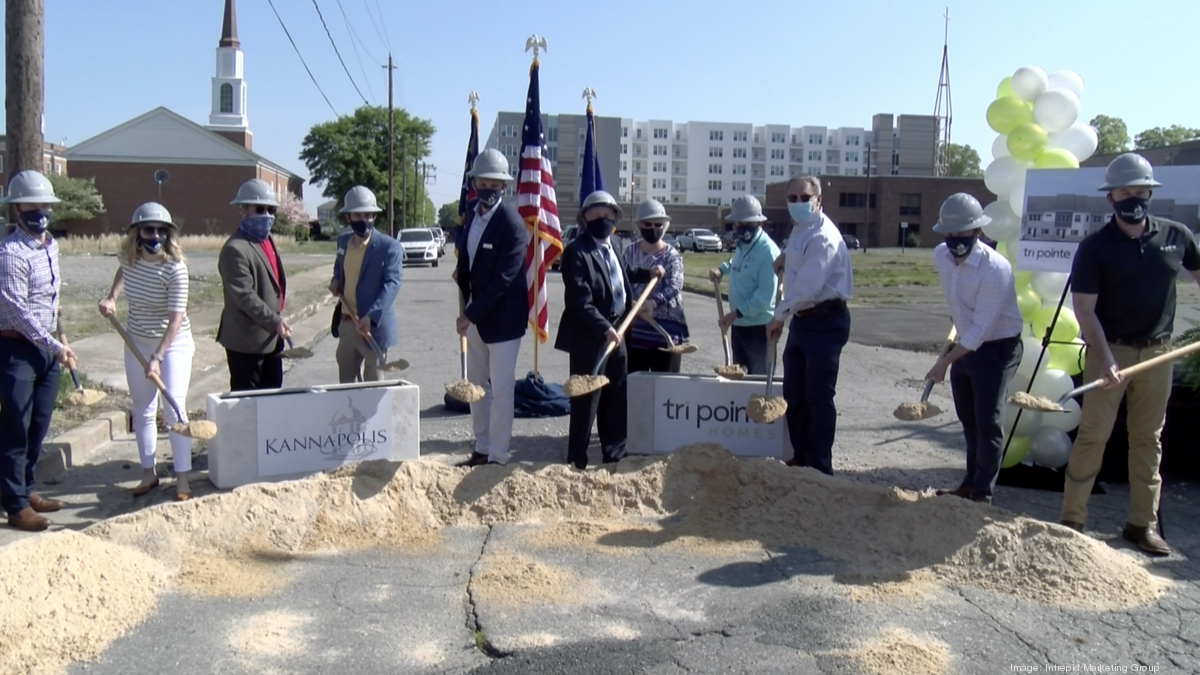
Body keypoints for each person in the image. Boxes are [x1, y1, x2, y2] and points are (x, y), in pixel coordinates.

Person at [1059, 153, 1200, 555]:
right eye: (1125, 193)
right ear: (1111, 198)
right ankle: (1072, 520)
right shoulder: (1095, 248)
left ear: (1150, 194)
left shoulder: (1175, 236)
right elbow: (1084, 310)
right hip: (1110, 351)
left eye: (1140, 192)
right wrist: (1105, 358)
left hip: (1158, 354)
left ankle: (1142, 524)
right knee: (1093, 436)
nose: (1133, 200)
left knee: (1147, 439)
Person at [925, 194, 1024, 504]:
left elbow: (982, 329)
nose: (956, 241)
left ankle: (982, 496)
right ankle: (970, 483)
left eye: (963, 234)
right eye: (950, 234)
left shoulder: (995, 269)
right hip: (965, 344)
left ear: (978, 232)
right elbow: (963, 313)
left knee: (987, 422)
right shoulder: (941, 256)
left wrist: (943, 362)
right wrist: (955, 347)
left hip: (998, 348)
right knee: (968, 420)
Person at [98, 203, 197, 500]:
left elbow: (175, 321)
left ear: (168, 234)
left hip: (173, 344)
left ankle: (182, 480)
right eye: (148, 229)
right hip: (136, 341)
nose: (155, 236)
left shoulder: (175, 269)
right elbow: (123, 270)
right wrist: (112, 297)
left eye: (160, 230)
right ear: (137, 233)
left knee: (174, 409)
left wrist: (157, 358)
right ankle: (148, 474)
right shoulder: (129, 258)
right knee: (143, 410)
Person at [556, 190, 661, 470]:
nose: (602, 219)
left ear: (614, 218)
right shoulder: (576, 252)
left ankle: (614, 453)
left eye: (607, 215)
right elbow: (579, 301)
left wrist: (648, 274)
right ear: (585, 218)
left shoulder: (614, 243)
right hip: (590, 335)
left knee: (616, 393)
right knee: (586, 398)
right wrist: (604, 328)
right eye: (596, 215)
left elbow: (623, 272)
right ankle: (577, 459)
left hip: (619, 329)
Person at [0, 171, 75, 531]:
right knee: (16, 426)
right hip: (17, 350)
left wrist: (61, 337)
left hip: (47, 349)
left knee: (39, 424)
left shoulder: (51, 246)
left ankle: (27, 488)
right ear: (16, 209)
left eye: (45, 205)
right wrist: (54, 346)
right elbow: (17, 310)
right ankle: (15, 505)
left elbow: (51, 298)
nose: (40, 212)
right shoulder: (10, 253)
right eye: (31, 206)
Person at [766, 174, 852, 475]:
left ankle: (820, 465)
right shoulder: (801, 228)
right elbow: (798, 253)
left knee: (818, 395)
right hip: (803, 321)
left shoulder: (824, 236)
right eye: (793, 198)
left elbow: (807, 288)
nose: (799, 203)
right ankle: (801, 456)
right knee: (794, 392)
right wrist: (784, 257)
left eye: (805, 198)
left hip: (825, 320)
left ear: (818, 200)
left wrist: (778, 316)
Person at [454, 149, 530, 467]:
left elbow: (504, 279)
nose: (488, 189)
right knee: (476, 387)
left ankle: (498, 455)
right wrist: (462, 275)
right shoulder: (472, 215)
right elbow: (470, 257)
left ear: (503, 186)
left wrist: (469, 314)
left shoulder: (512, 225)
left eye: (494, 184)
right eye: (483, 183)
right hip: (475, 317)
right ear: (474, 183)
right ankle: (482, 447)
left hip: (503, 321)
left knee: (500, 388)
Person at [216, 178, 291, 392]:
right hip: (247, 342)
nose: (266, 215)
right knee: (247, 402)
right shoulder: (235, 249)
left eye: (271, 210)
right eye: (259, 209)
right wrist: (274, 320)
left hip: (272, 339)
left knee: (272, 396)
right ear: (243, 210)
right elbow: (244, 296)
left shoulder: (268, 240)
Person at [329, 186, 402, 383]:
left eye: (368, 215)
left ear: (374, 216)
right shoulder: (343, 241)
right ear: (348, 217)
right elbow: (339, 267)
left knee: (373, 387)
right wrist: (336, 279)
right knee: (346, 385)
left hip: (373, 327)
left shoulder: (389, 247)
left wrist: (371, 315)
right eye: (358, 215)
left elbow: (392, 283)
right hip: (347, 324)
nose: (364, 220)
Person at [709, 195, 782, 375]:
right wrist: (722, 270)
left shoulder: (768, 252)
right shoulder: (743, 245)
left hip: (760, 329)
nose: (743, 228)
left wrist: (735, 314)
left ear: (759, 223)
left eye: (748, 223)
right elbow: (737, 264)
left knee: (758, 380)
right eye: (739, 223)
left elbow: (764, 298)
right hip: (740, 326)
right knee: (738, 379)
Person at [624, 199, 688, 373]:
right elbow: (623, 279)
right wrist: (632, 303)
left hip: (666, 333)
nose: (653, 228)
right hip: (637, 331)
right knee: (636, 381)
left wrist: (652, 303)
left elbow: (675, 285)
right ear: (639, 225)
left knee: (665, 384)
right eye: (648, 224)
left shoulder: (671, 255)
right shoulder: (629, 252)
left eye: (658, 224)